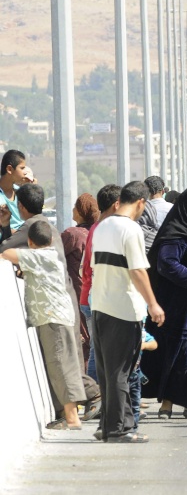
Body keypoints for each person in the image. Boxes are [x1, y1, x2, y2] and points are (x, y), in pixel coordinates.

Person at [1, 183, 102, 420]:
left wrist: (5, 228)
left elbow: (5, 249)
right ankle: (81, 402)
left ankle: (88, 398)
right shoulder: (47, 225)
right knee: (69, 357)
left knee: (60, 358)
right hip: (67, 297)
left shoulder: (31, 226)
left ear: (20, 206)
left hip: (54, 304)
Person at [91, 181, 165, 443]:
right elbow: (137, 270)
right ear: (141, 203)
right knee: (123, 372)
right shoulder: (130, 229)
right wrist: (153, 304)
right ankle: (120, 429)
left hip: (99, 306)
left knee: (107, 373)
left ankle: (107, 425)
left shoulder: (102, 227)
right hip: (123, 310)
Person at [1, 222, 87, 430]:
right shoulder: (49, 255)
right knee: (64, 364)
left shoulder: (41, 256)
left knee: (60, 365)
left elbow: (8, 253)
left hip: (53, 319)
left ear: (30, 242)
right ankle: (71, 414)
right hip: (56, 317)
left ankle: (72, 418)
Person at [144, 181, 187, 419]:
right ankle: (168, 403)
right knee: (179, 355)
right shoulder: (176, 233)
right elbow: (167, 264)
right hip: (178, 307)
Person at [79, 185, 121, 383]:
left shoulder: (99, 228)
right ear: (116, 205)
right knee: (98, 350)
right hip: (95, 296)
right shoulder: (103, 229)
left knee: (101, 349)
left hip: (93, 296)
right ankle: (96, 396)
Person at [60, 193, 100, 366]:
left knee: (81, 340)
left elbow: (53, 254)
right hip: (94, 292)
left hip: (76, 294)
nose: (73, 210)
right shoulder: (96, 232)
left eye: (76, 207)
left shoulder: (72, 234)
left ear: (82, 211)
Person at [0, 149, 29, 239]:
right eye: (22, 168)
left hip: (22, 240)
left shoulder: (20, 193)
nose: (25, 172)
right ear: (9, 169)